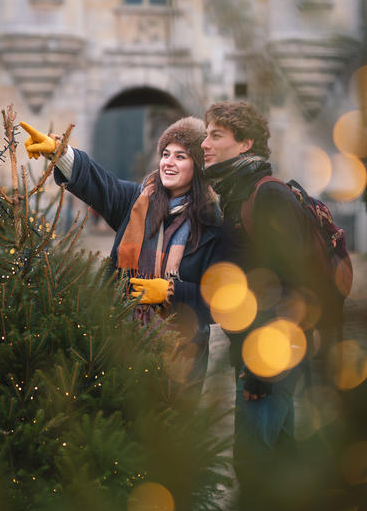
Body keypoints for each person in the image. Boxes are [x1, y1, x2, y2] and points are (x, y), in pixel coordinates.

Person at [20, 116, 224, 399]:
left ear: (198, 166)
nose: (169, 162)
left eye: (181, 156)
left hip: (181, 357)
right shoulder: (136, 201)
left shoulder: (211, 223)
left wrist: (172, 292)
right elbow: (100, 184)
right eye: (165, 154)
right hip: (122, 344)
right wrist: (60, 152)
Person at [201, 101, 324, 482]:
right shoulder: (235, 195)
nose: (205, 144)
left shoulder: (268, 195)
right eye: (206, 134)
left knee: (253, 463)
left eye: (216, 135)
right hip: (255, 352)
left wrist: (262, 368)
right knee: (283, 458)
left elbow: (298, 285)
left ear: (245, 143)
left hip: (271, 355)